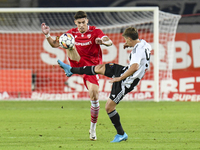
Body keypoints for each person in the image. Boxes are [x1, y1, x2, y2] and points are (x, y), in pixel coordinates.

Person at [57, 27, 152, 143]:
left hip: (127, 81)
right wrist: (130, 46)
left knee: (109, 107)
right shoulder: (144, 44)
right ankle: (71, 70)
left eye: (126, 41)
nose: (125, 42)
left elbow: (135, 67)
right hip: (123, 70)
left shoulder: (138, 51)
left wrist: (120, 78)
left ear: (129, 38)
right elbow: (141, 55)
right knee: (99, 68)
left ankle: (121, 134)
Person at [41, 11, 113, 141]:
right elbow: (54, 44)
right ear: (75, 23)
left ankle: (92, 129)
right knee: (69, 43)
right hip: (77, 61)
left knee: (94, 95)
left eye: (83, 22)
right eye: (79, 23)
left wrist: (101, 41)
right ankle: (71, 68)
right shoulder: (71, 33)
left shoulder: (95, 31)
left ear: (87, 21)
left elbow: (109, 42)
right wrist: (47, 35)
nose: (81, 25)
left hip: (92, 68)